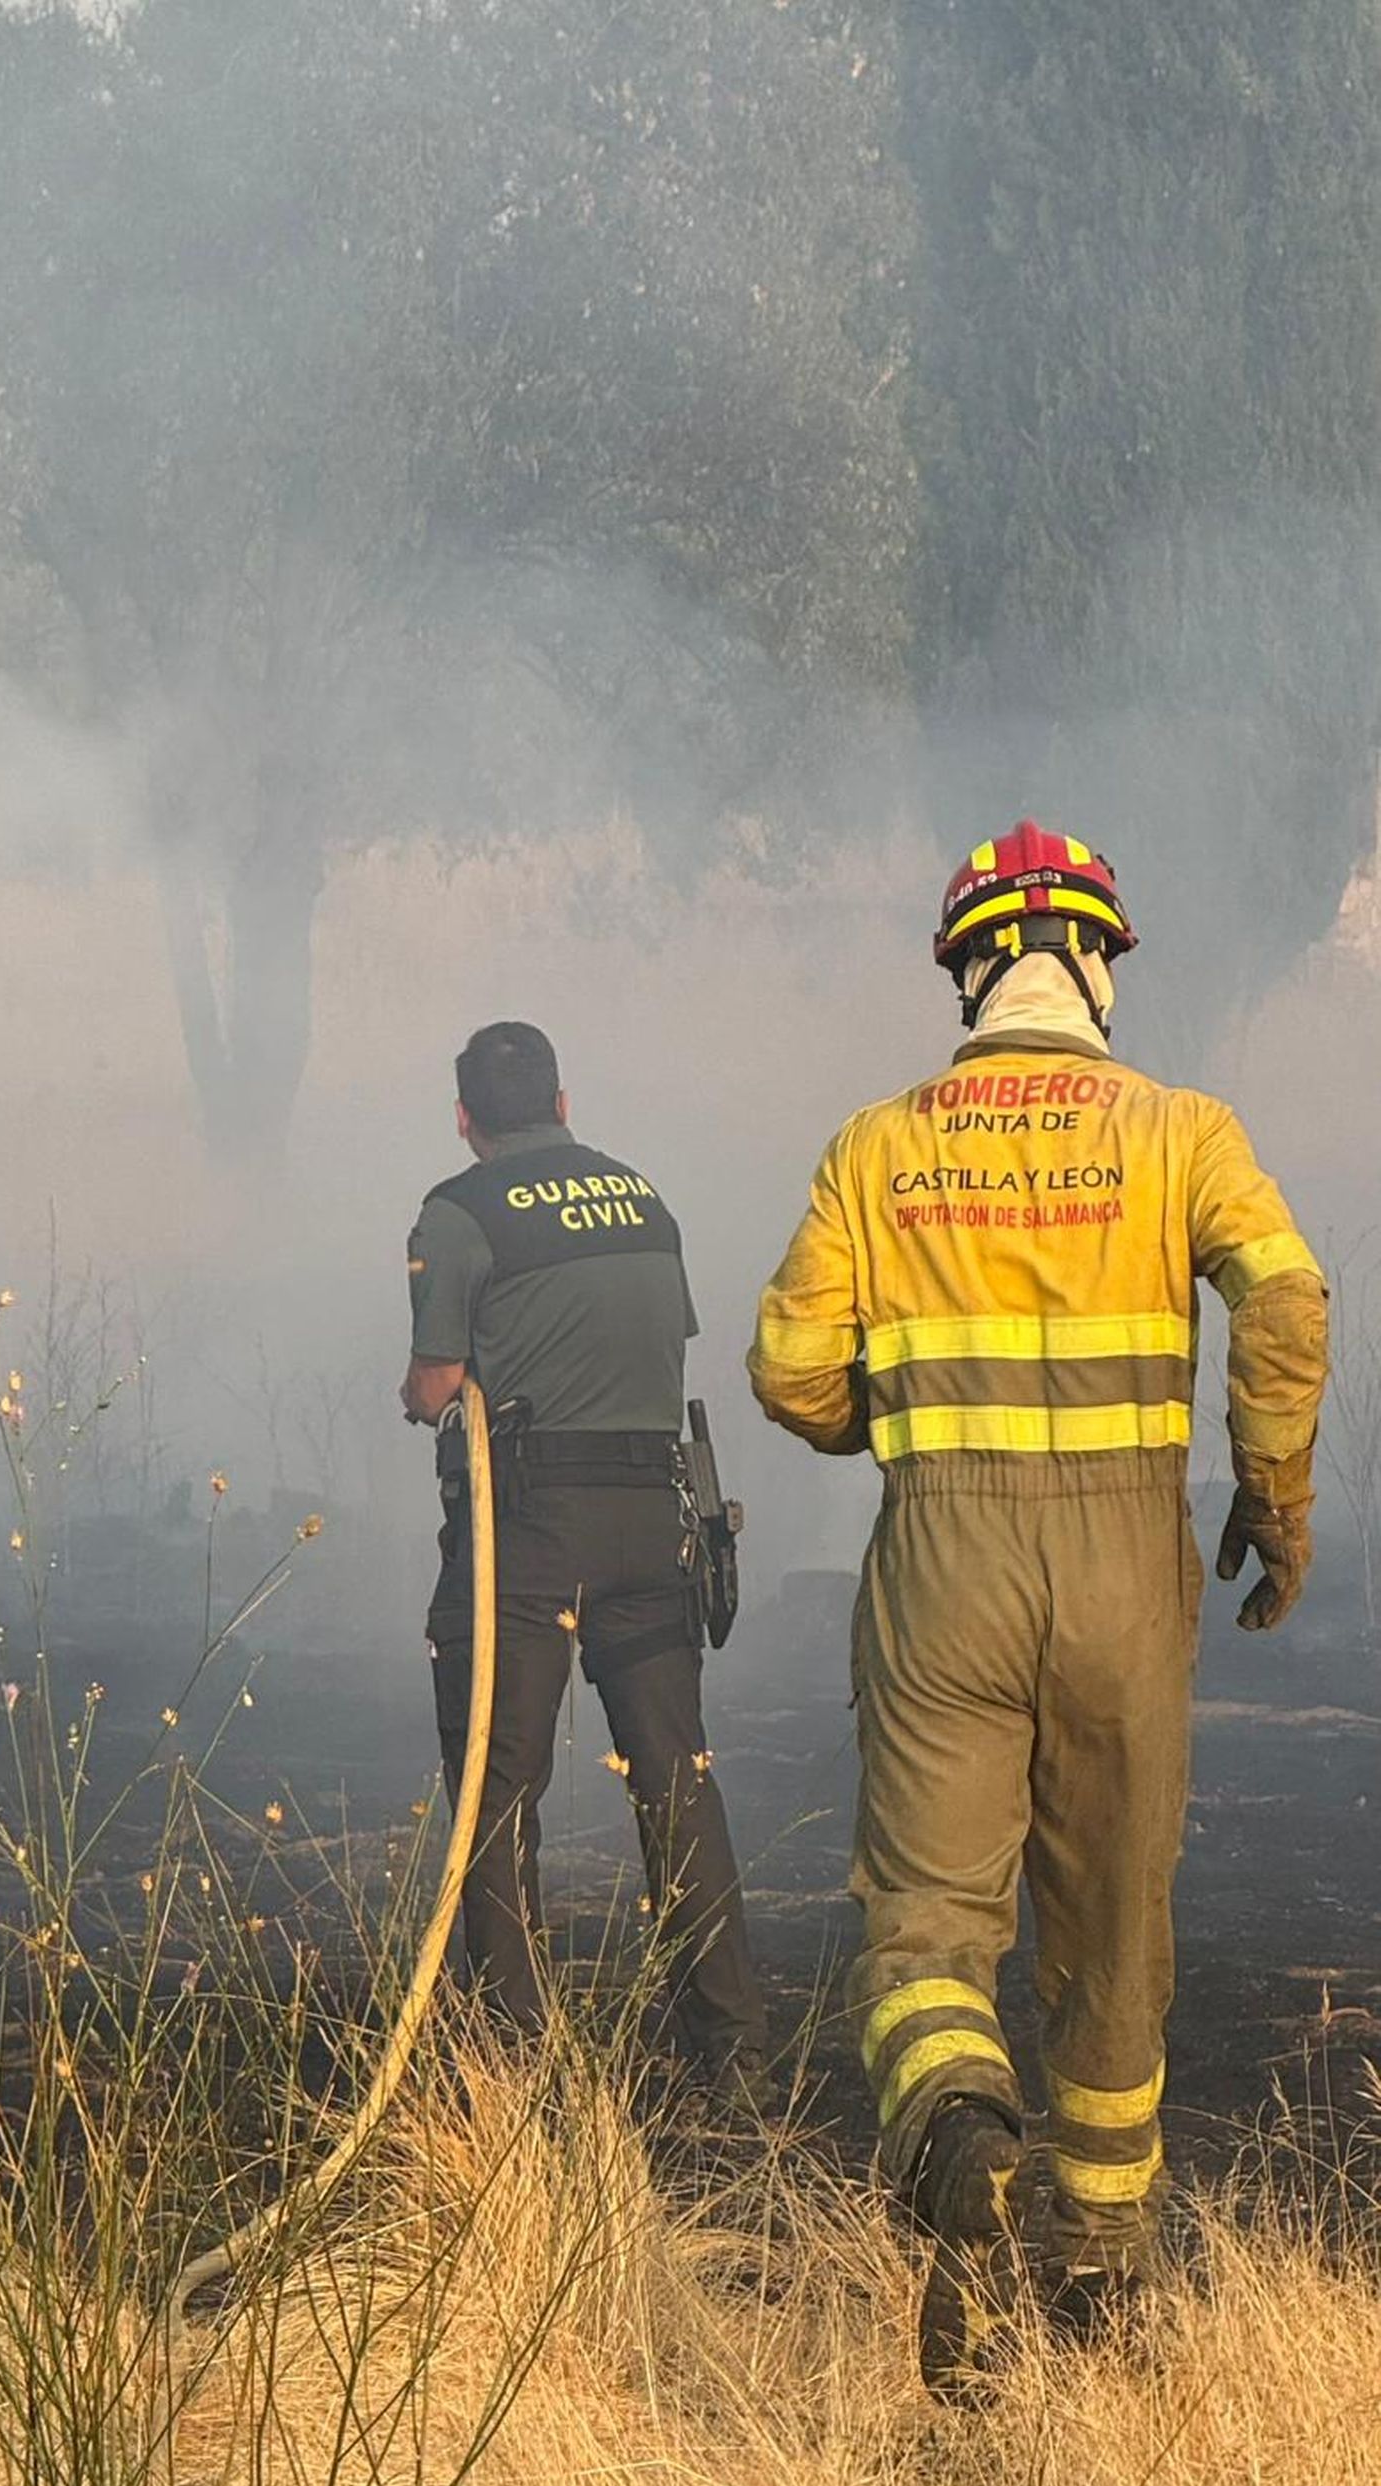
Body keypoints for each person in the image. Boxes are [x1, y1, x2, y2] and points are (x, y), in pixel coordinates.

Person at [748, 822, 1329, 2394]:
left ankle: (953, 2128)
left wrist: (902, 1420)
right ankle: (1096, 2273)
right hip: (1130, 1575)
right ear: (1095, 962)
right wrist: (1270, 1493)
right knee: (1113, 1932)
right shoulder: (1182, 1128)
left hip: (944, 1570)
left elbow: (790, 1369)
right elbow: (1284, 1292)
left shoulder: (877, 1145)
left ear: (968, 968)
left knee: (931, 1918)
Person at [401, 1019, 770, 2106]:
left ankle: (521, 2073)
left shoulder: (457, 1211)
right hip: (653, 1527)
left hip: (528, 1533)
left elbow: (437, 1381)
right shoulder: (643, 1198)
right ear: (565, 1104)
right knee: (676, 1780)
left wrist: (419, 1395)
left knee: (497, 1791)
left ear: (467, 1121)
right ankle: (734, 2053)